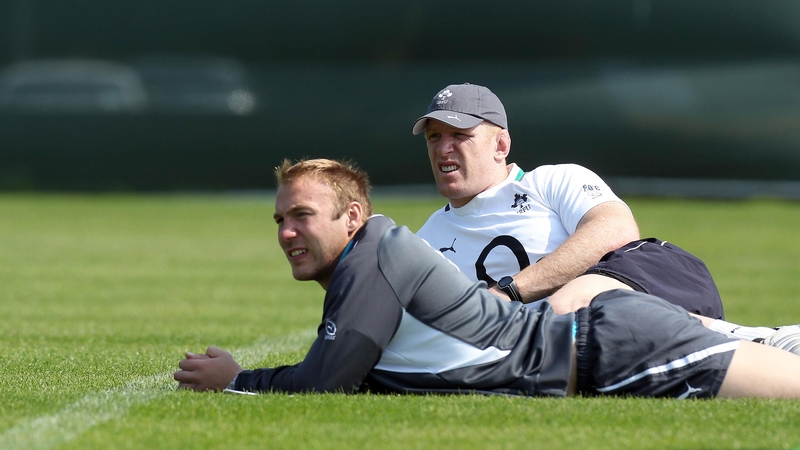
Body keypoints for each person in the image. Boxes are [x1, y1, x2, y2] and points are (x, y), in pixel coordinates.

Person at [174, 158, 800, 398]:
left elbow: (327, 379)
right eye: (280, 219)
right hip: (600, 342)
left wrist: (238, 382)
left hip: (609, 348)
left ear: (353, 217)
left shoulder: (380, 249)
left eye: (302, 216)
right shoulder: (372, 268)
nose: (286, 232)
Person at [411, 82, 797, 350]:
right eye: (434, 137)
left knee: (574, 305)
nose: (443, 149)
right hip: (564, 344)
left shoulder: (553, 180)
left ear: (501, 144)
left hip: (650, 284)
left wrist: (510, 292)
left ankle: (763, 340)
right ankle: (761, 343)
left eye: (459, 136)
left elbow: (616, 230)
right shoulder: (426, 239)